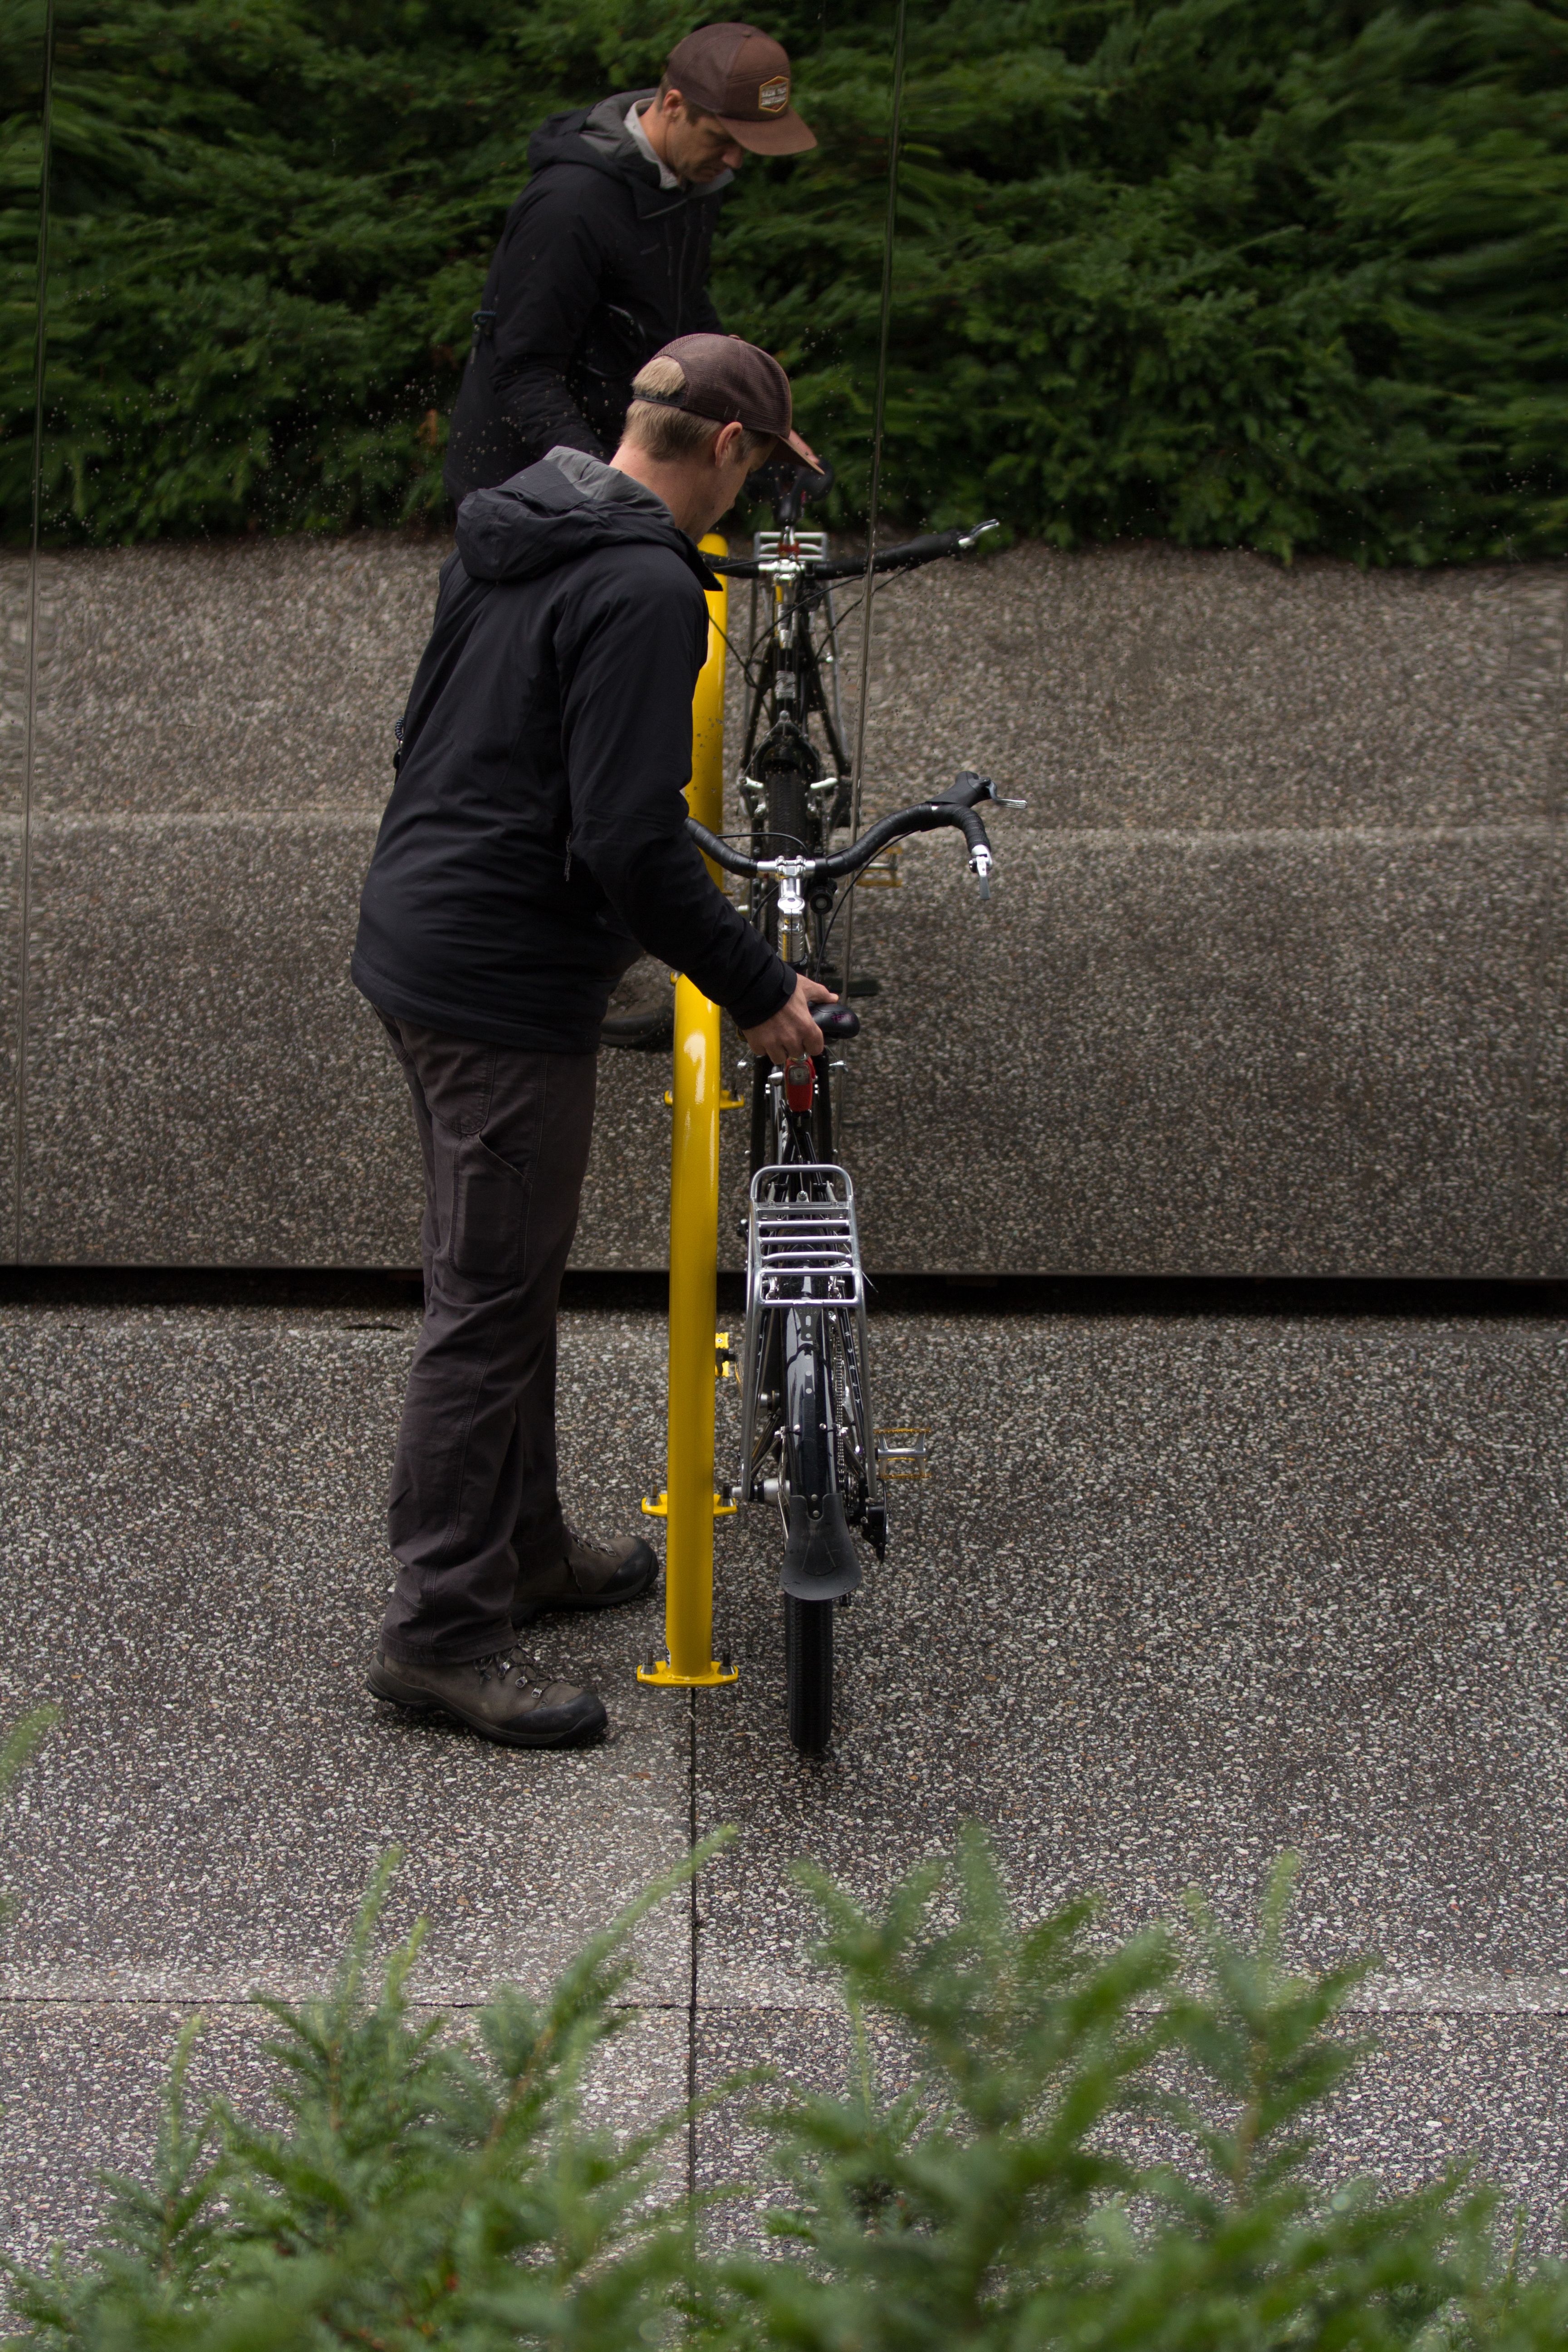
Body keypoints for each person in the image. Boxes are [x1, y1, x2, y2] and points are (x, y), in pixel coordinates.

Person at [353, 335, 836, 1751]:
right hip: (497, 988)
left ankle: (527, 1550)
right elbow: (629, 839)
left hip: (422, 934)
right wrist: (757, 988)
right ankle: (440, 1636)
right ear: (730, 449)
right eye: (760, 470)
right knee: (486, 1306)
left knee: (503, 1280)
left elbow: (424, 738)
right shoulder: (644, 586)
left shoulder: (517, 523)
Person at [443, 22, 816, 507]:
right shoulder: (569, 206)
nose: (734, 161)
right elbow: (524, 373)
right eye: (722, 138)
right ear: (675, 105)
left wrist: (761, 429)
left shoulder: (692, 180)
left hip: (626, 466)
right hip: (522, 490)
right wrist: (610, 488)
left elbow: (684, 306)